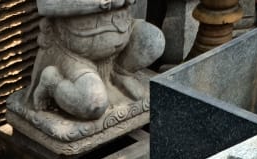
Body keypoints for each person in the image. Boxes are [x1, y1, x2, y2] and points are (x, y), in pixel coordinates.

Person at [31, 0, 165, 119]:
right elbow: (46, 4)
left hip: (122, 32)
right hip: (76, 54)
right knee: (93, 103)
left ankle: (121, 73)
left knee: (154, 40)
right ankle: (52, 82)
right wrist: (100, 3)